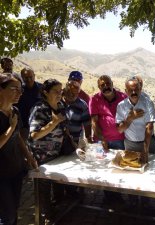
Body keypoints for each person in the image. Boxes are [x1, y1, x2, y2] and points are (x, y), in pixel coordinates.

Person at [0, 74, 37, 225]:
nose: (19, 93)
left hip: (15, 168)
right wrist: (12, 127)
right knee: (6, 215)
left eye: (20, 90)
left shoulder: (15, 111)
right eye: (14, 88)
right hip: (1, 174)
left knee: (14, 209)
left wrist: (29, 156)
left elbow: (18, 138)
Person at [28, 79, 66, 223]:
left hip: (58, 154)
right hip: (41, 155)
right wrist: (53, 122)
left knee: (58, 183)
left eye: (61, 91)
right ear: (45, 92)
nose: (59, 94)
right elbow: (34, 135)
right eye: (56, 91)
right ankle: (47, 215)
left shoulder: (61, 105)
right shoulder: (39, 109)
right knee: (43, 188)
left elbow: (63, 126)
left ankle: (56, 208)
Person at [116, 77, 155, 161]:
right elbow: (120, 130)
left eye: (136, 89)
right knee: (131, 167)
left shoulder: (148, 103)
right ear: (126, 91)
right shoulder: (121, 105)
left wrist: (145, 149)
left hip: (148, 143)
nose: (134, 92)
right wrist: (130, 118)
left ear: (140, 89)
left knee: (149, 166)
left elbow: (149, 126)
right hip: (130, 144)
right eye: (130, 90)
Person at [89, 75, 127, 151]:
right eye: (102, 85)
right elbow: (94, 122)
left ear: (112, 84)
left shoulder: (123, 97)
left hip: (120, 140)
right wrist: (102, 139)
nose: (106, 86)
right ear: (99, 87)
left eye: (108, 83)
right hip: (101, 140)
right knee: (101, 162)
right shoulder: (94, 100)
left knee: (120, 162)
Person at [62, 80, 92, 145]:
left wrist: (89, 139)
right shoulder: (58, 101)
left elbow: (87, 124)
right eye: (70, 92)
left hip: (75, 142)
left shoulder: (82, 105)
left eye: (75, 93)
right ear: (65, 90)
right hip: (58, 141)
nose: (72, 95)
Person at [16, 68, 42, 139]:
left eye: (31, 77)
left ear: (34, 76)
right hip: (24, 126)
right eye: (26, 77)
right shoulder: (19, 90)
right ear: (22, 77)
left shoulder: (42, 89)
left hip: (40, 125)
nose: (29, 79)